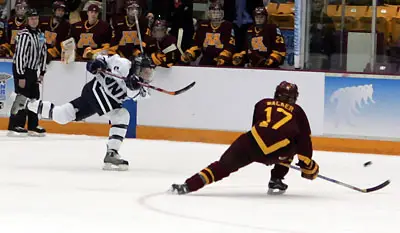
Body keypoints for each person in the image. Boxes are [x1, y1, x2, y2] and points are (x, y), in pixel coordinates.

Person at [10, 53, 155, 171]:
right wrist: (96, 64)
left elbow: (133, 94)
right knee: (121, 114)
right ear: (136, 68)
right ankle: (27, 102)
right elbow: (99, 58)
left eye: (150, 73)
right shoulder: (121, 63)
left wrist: (133, 86)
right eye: (144, 72)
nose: (147, 76)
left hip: (106, 103)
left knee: (62, 115)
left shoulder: (143, 89)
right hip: (94, 92)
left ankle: (26, 102)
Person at [170, 81, 319, 195]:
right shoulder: (298, 112)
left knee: (222, 166)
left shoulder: (262, 103)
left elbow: (258, 126)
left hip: (251, 143)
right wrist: (308, 166)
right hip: (277, 153)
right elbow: (304, 140)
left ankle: (188, 185)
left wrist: (260, 152)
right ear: (294, 98)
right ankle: (276, 179)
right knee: (290, 143)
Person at [8, 8, 47, 137]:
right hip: (23, 69)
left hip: (34, 70)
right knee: (22, 96)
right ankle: (15, 124)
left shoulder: (40, 35)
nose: (34, 21)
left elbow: (43, 53)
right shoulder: (23, 34)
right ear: (27, 20)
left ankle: (33, 124)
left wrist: (42, 72)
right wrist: (21, 75)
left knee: (34, 97)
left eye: (36, 18)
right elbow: (20, 56)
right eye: (31, 18)